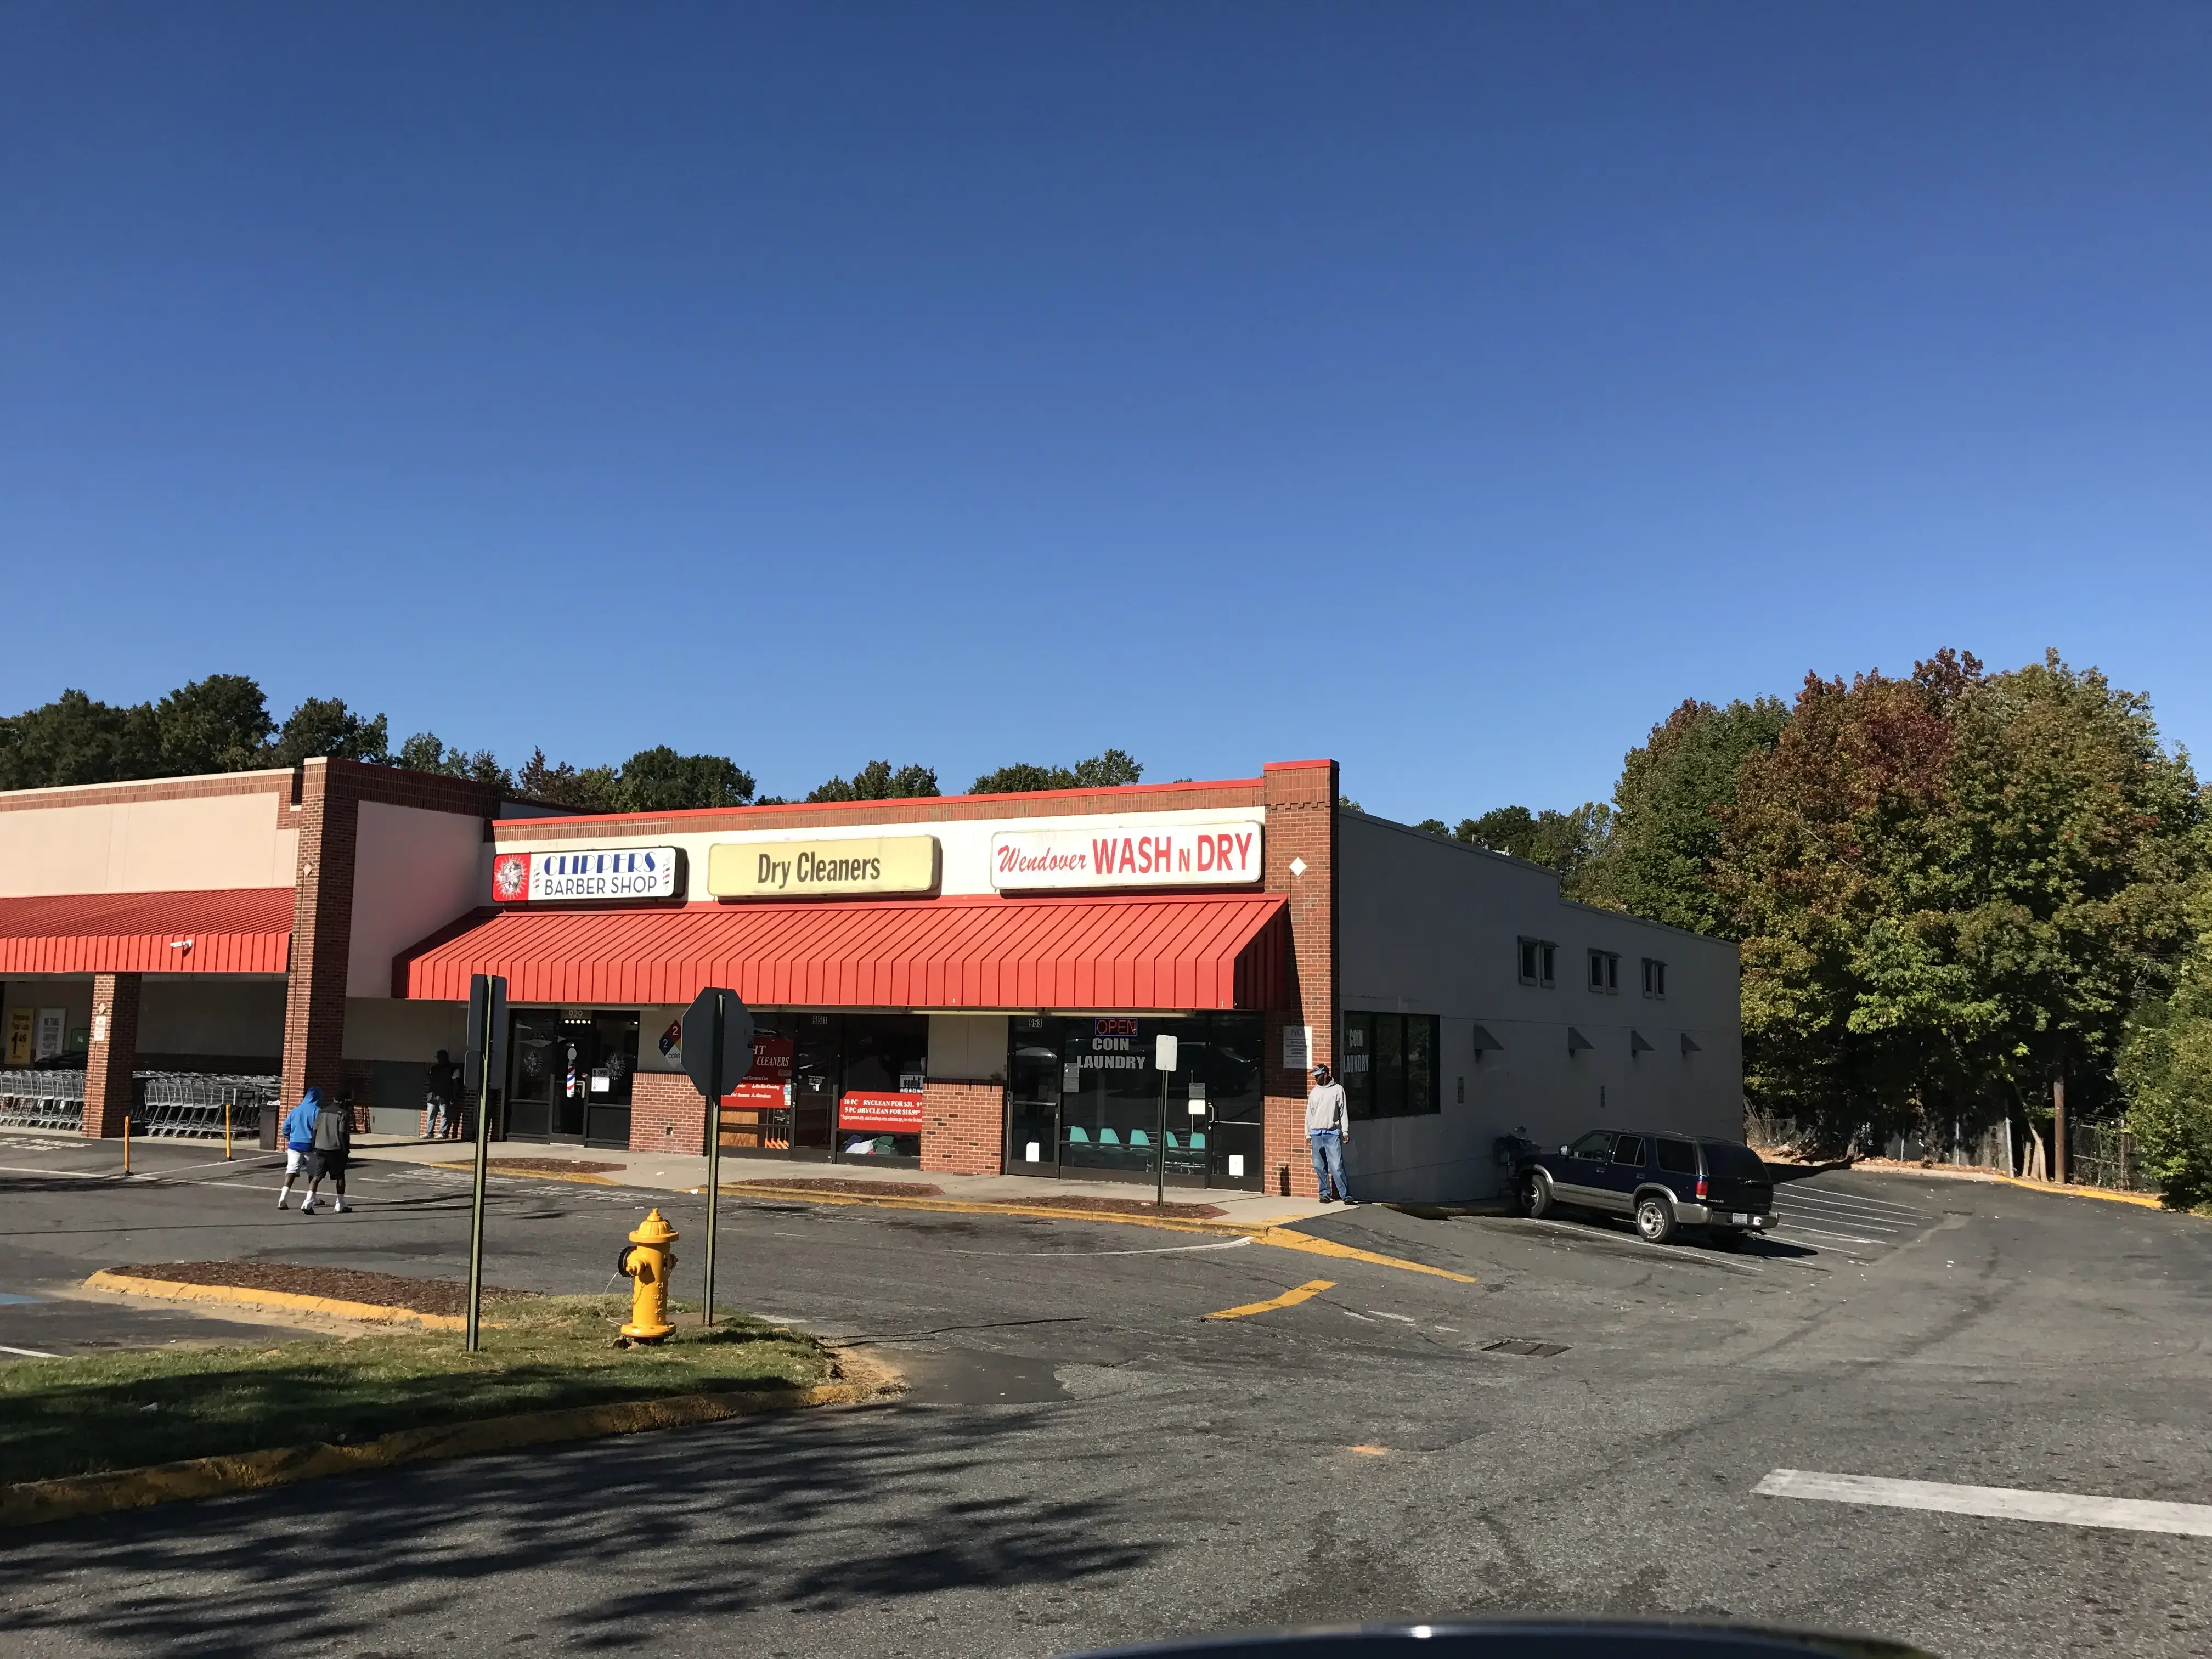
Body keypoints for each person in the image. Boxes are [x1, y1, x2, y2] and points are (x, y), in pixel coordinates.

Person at [1305, 1062, 1353, 1204]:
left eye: (1318, 1076)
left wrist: (1345, 1131)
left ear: (1325, 1074)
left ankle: (1346, 1195)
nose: (1316, 1079)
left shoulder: (1338, 1090)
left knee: (1337, 1166)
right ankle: (1324, 1193)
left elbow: (1343, 1111)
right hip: (1316, 1134)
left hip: (1332, 1133)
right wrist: (1308, 1134)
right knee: (1319, 1166)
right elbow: (1309, 1114)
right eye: (1315, 1076)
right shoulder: (1314, 1092)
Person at [299, 1091, 353, 1215]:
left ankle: (307, 1202)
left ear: (333, 1098)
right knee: (340, 1177)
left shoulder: (322, 1112)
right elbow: (342, 1134)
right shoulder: (343, 1114)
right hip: (335, 1150)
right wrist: (345, 1150)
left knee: (317, 1177)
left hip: (320, 1148)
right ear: (343, 1101)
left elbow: (315, 1130)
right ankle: (340, 1203)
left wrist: (314, 1146)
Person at [276, 1086, 324, 1209]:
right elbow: (319, 1130)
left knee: (291, 1170)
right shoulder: (317, 1111)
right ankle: (312, 1197)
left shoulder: (295, 1110)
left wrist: (291, 1138)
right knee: (313, 1173)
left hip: (294, 1145)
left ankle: (283, 1197)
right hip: (310, 1146)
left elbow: (285, 1128)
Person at [424, 1049, 462, 1140]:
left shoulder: (453, 1069)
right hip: (433, 1094)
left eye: (440, 1058)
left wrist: (454, 1096)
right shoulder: (434, 1069)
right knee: (431, 1115)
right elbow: (430, 1081)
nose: (439, 1060)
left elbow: (456, 1084)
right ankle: (429, 1132)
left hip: (445, 1095)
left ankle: (442, 1133)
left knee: (444, 1115)